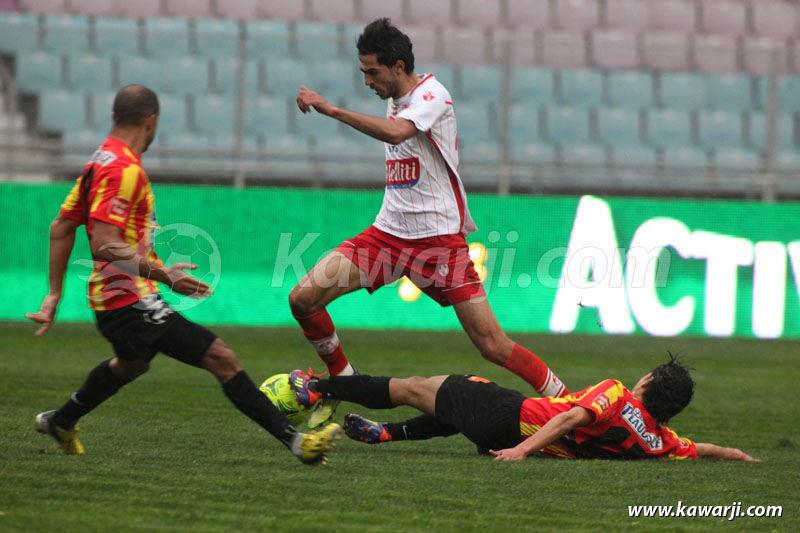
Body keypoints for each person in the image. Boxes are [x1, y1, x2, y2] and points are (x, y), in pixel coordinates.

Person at [26, 84, 341, 465]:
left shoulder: (99, 162)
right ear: (151, 120)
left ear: (114, 117)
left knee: (132, 364)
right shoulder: (124, 170)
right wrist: (163, 274)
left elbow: (61, 226)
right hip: (129, 301)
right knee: (222, 358)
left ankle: (61, 420)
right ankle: (298, 444)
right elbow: (105, 244)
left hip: (116, 301)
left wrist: (54, 293)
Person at [291, 18, 568, 427]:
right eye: (362, 71)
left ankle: (565, 400)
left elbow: (397, 133)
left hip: (438, 243)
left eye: (373, 72)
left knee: (491, 345)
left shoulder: (433, 95)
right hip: (387, 235)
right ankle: (343, 380)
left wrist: (331, 109)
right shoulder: (394, 96)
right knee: (302, 299)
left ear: (399, 66)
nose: (367, 81)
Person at [288, 356, 757, 462]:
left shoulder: (616, 393)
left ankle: (315, 386)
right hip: (502, 430)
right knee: (456, 408)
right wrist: (744, 458)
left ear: (649, 382)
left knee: (415, 387)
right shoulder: (662, 442)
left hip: (513, 420)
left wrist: (522, 450)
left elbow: (572, 416)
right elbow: (711, 449)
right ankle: (387, 434)